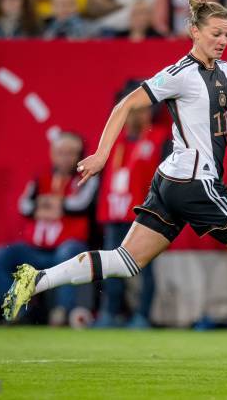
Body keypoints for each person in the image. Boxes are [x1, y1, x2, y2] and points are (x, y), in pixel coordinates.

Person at [2, 0, 227, 367]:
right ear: (194, 32)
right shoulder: (177, 75)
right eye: (215, 33)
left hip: (171, 181)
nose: (223, 41)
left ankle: (37, 280)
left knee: (125, 260)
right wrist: (102, 154)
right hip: (195, 183)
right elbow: (125, 105)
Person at [0, 132, 99, 325]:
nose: (65, 157)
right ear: (52, 154)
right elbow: (24, 206)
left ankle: (62, 312)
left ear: (80, 154)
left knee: (69, 253)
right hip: (35, 248)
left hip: (67, 247)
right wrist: (53, 206)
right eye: (60, 152)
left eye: (71, 153)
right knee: (0, 256)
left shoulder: (86, 177)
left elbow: (81, 204)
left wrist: (49, 205)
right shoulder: (41, 179)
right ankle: (16, 310)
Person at [94, 90, 169, 328]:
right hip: (114, 213)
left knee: (145, 269)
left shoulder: (160, 139)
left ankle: (142, 316)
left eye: (137, 110)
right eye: (129, 112)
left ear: (148, 112)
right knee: (111, 268)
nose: (132, 117)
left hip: (144, 213)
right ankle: (110, 313)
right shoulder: (115, 140)